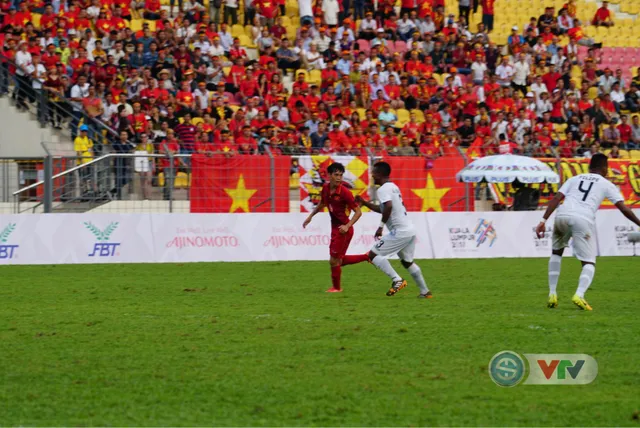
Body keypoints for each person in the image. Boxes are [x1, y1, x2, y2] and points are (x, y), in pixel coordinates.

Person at [536, 154, 640, 310]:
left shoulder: (574, 178)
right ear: (604, 168)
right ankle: (579, 294)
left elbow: (557, 198)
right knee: (589, 262)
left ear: (590, 167)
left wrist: (543, 221)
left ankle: (552, 293)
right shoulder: (606, 184)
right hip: (582, 219)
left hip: (562, 215)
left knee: (556, 253)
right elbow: (623, 208)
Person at [355, 161, 432, 298]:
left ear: (380, 174)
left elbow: (388, 207)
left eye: (373, 173)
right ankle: (425, 292)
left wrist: (380, 227)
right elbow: (383, 208)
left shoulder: (383, 189)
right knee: (407, 262)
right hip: (409, 230)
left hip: (400, 232)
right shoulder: (393, 187)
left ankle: (397, 280)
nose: (372, 175)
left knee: (372, 255)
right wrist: (365, 203)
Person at [302, 162, 368, 293]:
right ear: (329, 175)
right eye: (336, 175)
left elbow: (358, 212)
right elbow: (322, 203)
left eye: (341, 175)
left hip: (344, 230)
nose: (339, 178)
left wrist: (347, 225)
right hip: (335, 228)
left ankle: (337, 288)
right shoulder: (326, 188)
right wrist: (311, 216)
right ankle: (367, 257)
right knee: (338, 260)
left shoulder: (345, 193)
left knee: (334, 260)